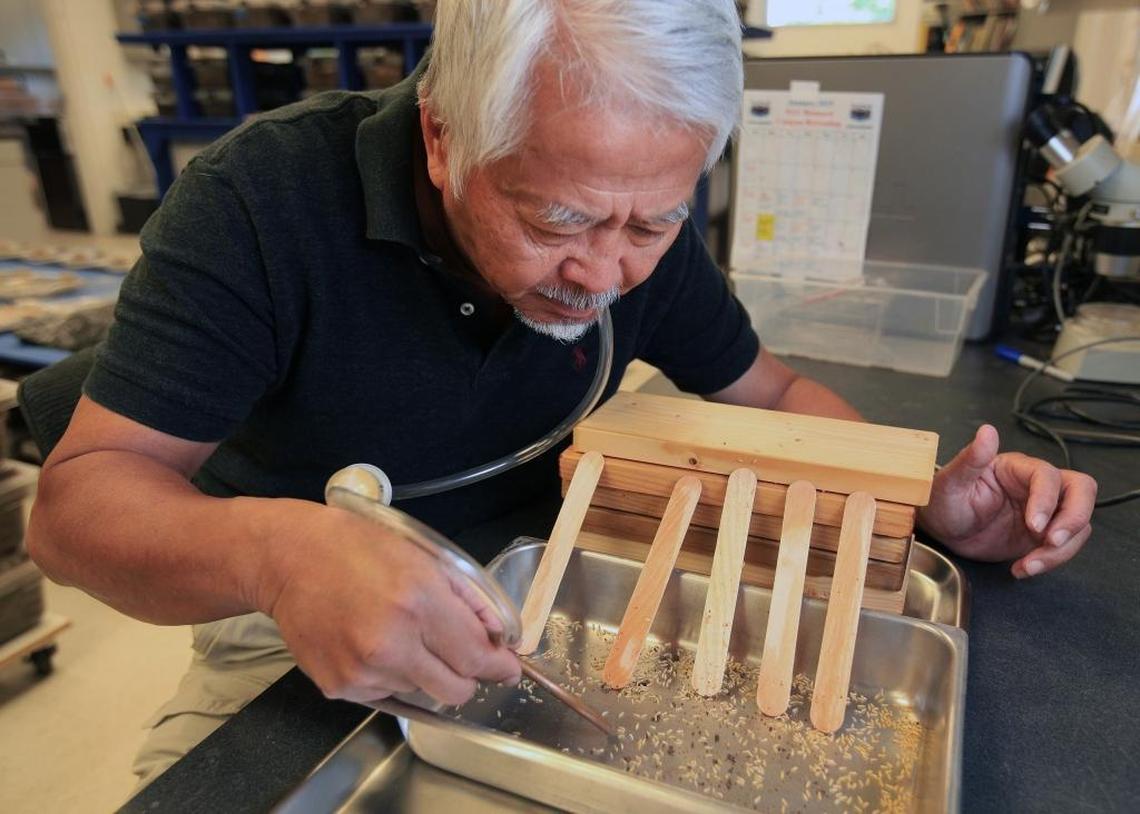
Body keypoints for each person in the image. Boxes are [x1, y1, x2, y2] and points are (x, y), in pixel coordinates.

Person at [26, 0, 1096, 789]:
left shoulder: (633, 216)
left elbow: (771, 387)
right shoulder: (263, 205)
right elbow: (77, 509)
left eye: (653, 222)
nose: (604, 274)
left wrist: (926, 501)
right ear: (444, 139)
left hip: (562, 590)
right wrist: (277, 552)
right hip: (290, 616)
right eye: (557, 221)